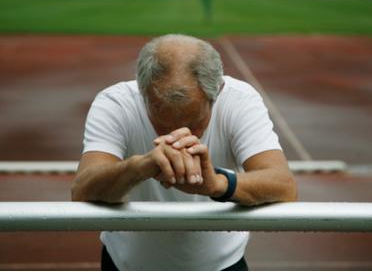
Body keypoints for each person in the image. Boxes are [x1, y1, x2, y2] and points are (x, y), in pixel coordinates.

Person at [71, 34, 297, 271]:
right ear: (142, 91)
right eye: (163, 123)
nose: (176, 137)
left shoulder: (239, 100)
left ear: (217, 92)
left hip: (222, 265)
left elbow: (284, 185)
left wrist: (218, 184)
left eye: (194, 122)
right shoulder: (115, 104)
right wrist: (139, 167)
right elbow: (83, 190)